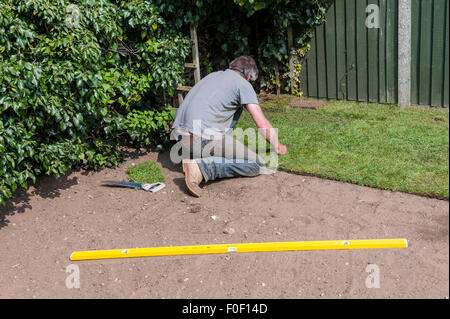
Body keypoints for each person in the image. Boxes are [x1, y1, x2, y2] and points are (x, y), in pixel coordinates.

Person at [170, 55, 288, 197]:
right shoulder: (243, 84)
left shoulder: (213, 76)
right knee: (257, 164)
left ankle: (197, 157)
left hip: (179, 139)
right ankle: (201, 168)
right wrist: (278, 146)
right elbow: (262, 124)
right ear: (249, 77)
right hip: (201, 139)